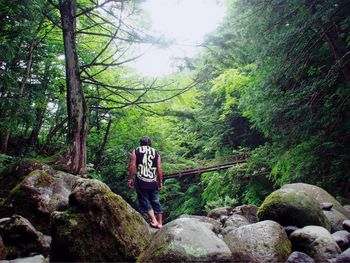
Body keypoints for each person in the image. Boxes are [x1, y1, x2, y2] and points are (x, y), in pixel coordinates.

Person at [128, 136, 163, 228]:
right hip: (153, 180)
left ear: (141, 143)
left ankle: (154, 220)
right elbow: (159, 167)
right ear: (149, 143)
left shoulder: (136, 151)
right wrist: (160, 181)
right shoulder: (156, 152)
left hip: (141, 180)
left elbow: (133, 165)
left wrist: (130, 179)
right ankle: (160, 222)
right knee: (155, 200)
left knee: (144, 200)